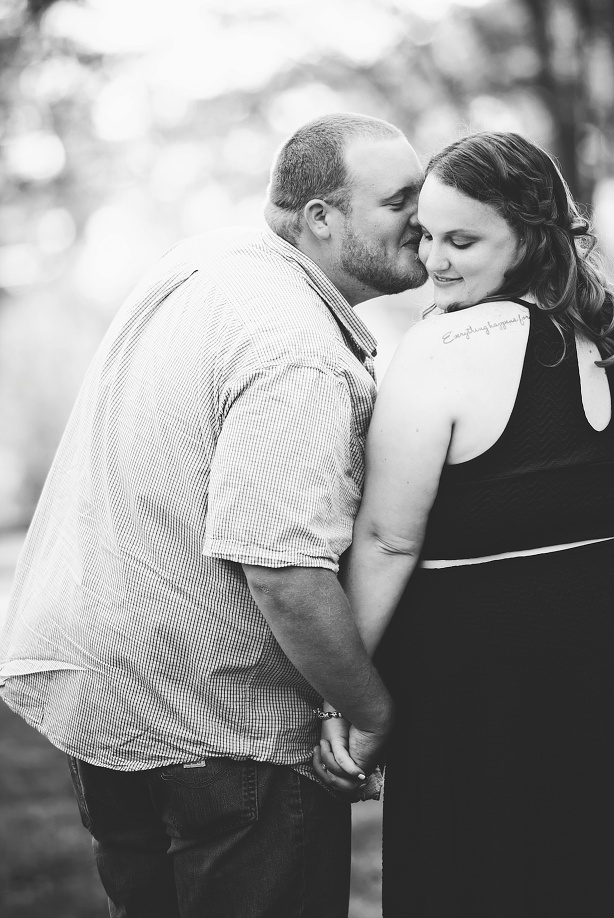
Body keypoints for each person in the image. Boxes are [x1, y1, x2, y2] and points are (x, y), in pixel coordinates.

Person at [314, 131, 614, 918]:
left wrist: (346, 693)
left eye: (463, 240)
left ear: (528, 235)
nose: (435, 260)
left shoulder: (437, 350)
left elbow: (389, 540)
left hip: (495, 673)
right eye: (425, 236)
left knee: (502, 888)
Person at [0, 112, 426, 918]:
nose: (425, 215)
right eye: (400, 199)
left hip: (107, 700)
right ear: (320, 219)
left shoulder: (208, 265)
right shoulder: (294, 346)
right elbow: (282, 572)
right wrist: (370, 712)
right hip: (225, 732)